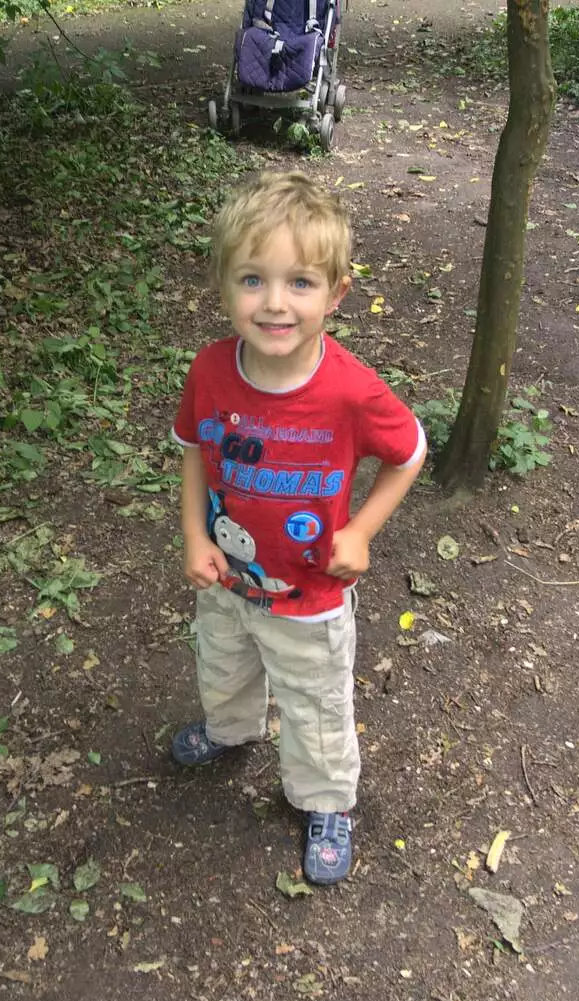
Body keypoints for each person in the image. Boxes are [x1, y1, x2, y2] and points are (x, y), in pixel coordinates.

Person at [169, 171, 425, 885]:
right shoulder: (212, 370)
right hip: (226, 580)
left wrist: (364, 529)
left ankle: (325, 802)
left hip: (310, 601)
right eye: (252, 279)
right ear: (223, 284)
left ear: (336, 293)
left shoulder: (348, 389)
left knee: (314, 706)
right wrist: (194, 534)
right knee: (223, 668)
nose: (275, 303)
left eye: (300, 283)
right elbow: (193, 450)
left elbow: (409, 452)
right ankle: (231, 731)